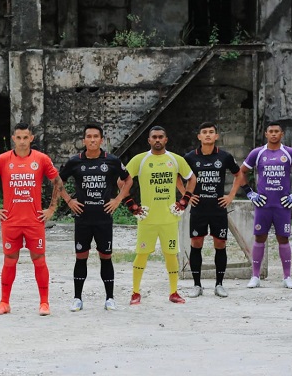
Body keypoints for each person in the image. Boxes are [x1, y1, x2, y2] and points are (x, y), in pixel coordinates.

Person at [0, 122, 63, 316]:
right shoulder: (2, 160)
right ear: (13, 138)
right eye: (19, 137)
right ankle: (4, 302)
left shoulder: (41, 159)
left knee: (39, 261)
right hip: (11, 221)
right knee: (9, 260)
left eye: (26, 137)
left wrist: (51, 208)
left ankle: (44, 303)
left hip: (35, 221)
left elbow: (57, 181)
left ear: (32, 138)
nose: (22, 141)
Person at [58, 123, 132, 311]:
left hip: (103, 218)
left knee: (105, 257)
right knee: (81, 257)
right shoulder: (75, 161)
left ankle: (110, 298)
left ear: (101, 140)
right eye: (88, 137)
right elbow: (58, 181)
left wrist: (118, 200)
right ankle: (77, 298)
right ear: (83, 140)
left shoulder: (112, 161)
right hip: (82, 218)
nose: (92, 140)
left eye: (95, 136)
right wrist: (69, 201)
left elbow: (128, 179)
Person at [126, 126, 197, 305]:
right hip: (147, 219)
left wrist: (184, 200)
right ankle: (135, 292)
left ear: (166, 139)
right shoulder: (140, 160)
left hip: (169, 219)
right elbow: (122, 180)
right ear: (149, 140)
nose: (157, 140)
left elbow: (192, 179)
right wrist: (131, 205)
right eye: (154, 137)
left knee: (171, 255)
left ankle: (173, 292)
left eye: (161, 137)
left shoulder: (175, 159)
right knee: (141, 254)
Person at [240, 121, 292, 289]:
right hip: (263, 204)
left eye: (276, 131)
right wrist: (249, 192)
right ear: (266, 134)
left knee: (283, 238)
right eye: (270, 131)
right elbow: (241, 171)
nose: (273, 134)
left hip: (282, 205)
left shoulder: (289, 152)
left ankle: (287, 277)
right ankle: (255, 276)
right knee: (259, 237)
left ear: (282, 134)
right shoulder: (258, 153)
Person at [182, 122, 244, 298]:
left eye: (211, 132)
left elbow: (239, 174)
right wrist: (186, 195)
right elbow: (177, 175)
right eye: (204, 132)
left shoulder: (224, 156)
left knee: (220, 244)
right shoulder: (190, 157)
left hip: (218, 209)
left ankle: (219, 284)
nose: (208, 135)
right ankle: (197, 285)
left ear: (216, 136)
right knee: (196, 244)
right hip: (198, 209)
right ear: (199, 137)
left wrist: (231, 195)